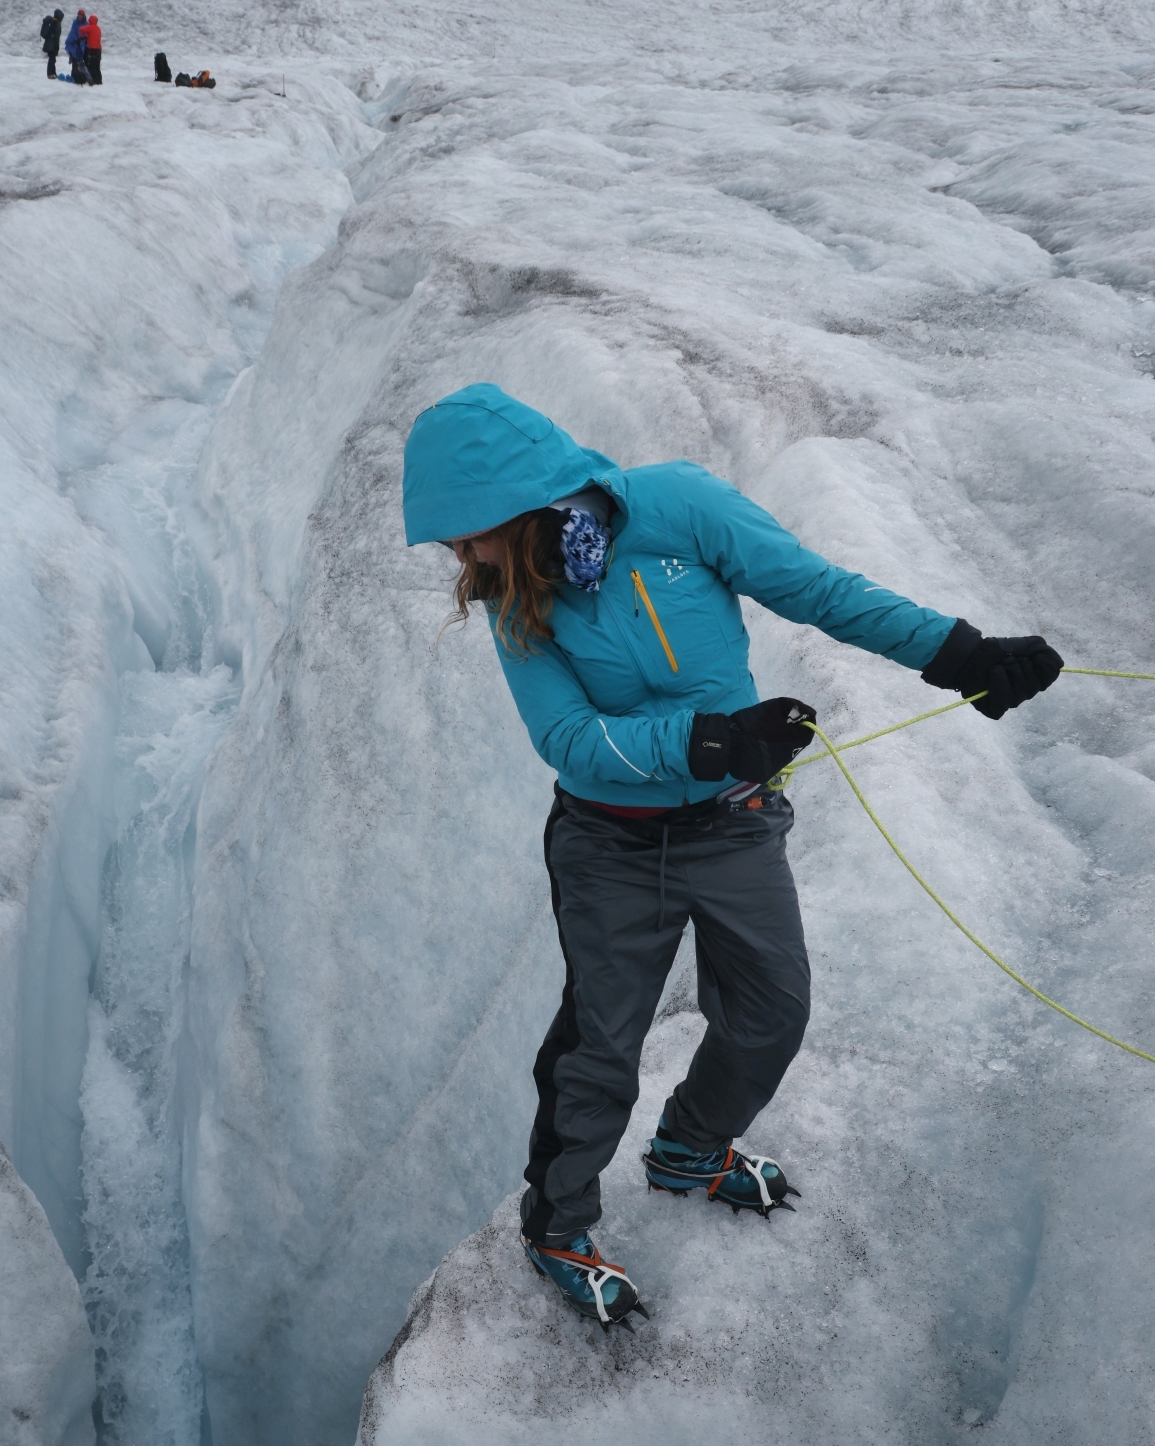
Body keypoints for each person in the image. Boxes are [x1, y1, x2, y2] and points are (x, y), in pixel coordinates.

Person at [401, 384, 1063, 1330]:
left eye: (467, 533)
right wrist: (708, 740)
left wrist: (957, 654)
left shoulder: (679, 505)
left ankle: (690, 1149)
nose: (460, 558)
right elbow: (572, 742)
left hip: (732, 824)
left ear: (521, 500)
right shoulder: (516, 602)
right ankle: (558, 1225)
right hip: (607, 845)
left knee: (771, 1013)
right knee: (600, 1047)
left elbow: (814, 587)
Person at [65, 8, 87, 85]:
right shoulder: (75, 23)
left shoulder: (86, 24)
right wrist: (73, 40)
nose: (80, 16)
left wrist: (81, 40)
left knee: (82, 62)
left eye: (81, 15)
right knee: (75, 61)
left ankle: (82, 76)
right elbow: (73, 31)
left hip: (81, 45)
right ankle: (75, 76)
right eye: (79, 15)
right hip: (75, 44)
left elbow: (86, 34)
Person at [40, 8, 63, 79]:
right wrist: (56, 46)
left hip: (49, 43)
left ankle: (53, 73)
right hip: (52, 44)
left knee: (52, 59)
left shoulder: (53, 21)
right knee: (52, 59)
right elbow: (56, 36)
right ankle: (50, 74)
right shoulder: (56, 23)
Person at [84, 11, 103, 85]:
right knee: (97, 65)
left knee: (92, 65)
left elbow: (81, 29)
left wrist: (83, 37)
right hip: (99, 48)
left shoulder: (90, 27)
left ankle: (94, 80)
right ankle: (99, 79)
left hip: (92, 49)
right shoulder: (98, 28)